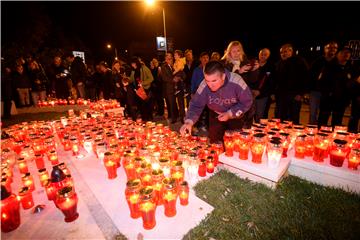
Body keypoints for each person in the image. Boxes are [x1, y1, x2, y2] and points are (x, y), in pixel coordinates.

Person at [180, 61, 253, 143]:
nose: (210, 85)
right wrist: (189, 122)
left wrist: (230, 114)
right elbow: (196, 104)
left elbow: (247, 101)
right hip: (215, 114)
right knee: (215, 142)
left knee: (235, 142)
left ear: (223, 76)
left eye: (214, 81)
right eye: (207, 80)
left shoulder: (236, 81)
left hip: (235, 115)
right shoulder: (204, 85)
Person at [308, 41, 338, 124]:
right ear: (325, 49)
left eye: (334, 48)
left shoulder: (337, 62)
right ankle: (312, 132)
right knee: (313, 114)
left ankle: (322, 132)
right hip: (315, 91)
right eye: (329, 47)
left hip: (328, 93)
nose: (332, 49)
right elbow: (310, 76)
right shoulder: (318, 61)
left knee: (325, 114)